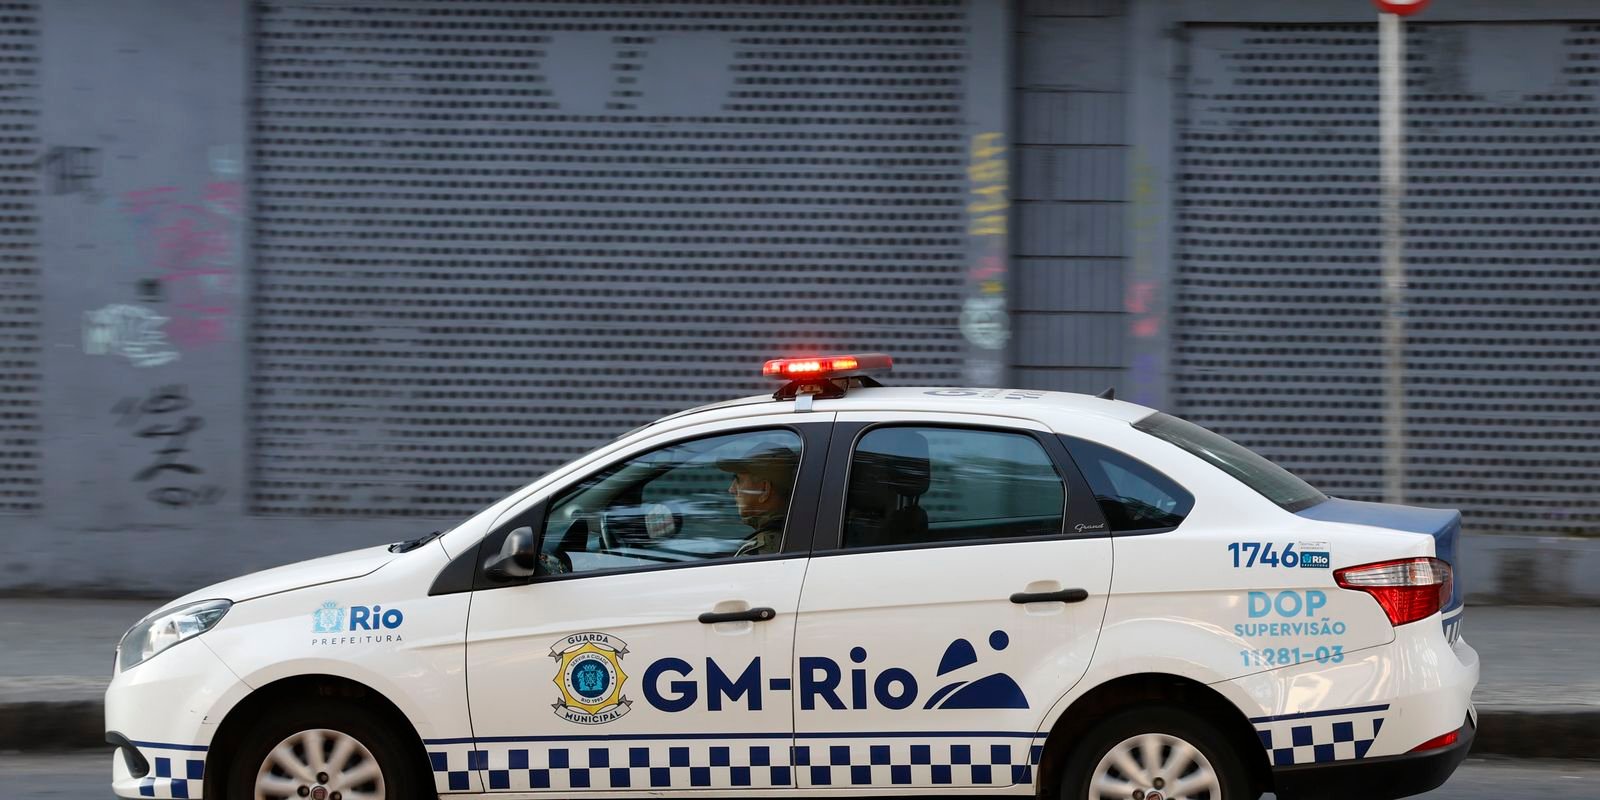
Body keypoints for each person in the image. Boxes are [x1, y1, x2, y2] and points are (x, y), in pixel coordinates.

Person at [715, 443, 798, 557]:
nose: (731, 489)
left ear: (764, 490)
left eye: (738, 480)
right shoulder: (795, 538)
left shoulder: (758, 553)